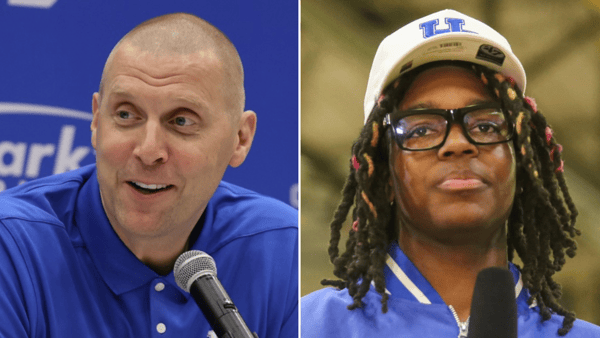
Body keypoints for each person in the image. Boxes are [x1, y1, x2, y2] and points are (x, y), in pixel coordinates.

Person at [301, 9, 600, 337]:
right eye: (421, 130)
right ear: (383, 173)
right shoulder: (308, 325)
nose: (457, 144)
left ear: (522, 165)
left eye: (485, 125)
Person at [0, 13, 298, 338]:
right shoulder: (12, 246)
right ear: (97, 122)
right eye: (126, 114)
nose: (148, 149)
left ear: (240, 139)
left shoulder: (283, 250)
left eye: (182, 121)